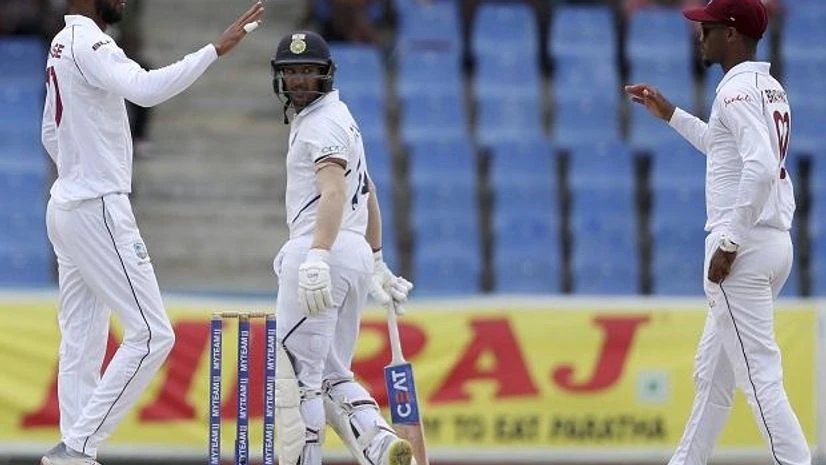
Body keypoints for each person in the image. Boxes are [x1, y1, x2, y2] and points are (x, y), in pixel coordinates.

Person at [39, 1, 264, 464]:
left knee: (82, 341)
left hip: (68, 204)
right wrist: (213, 51)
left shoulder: (61, 44)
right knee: (152, 335)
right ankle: (77, 447)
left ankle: (74, 453)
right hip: (96, 207)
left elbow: (48, 131)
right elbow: (144, 89)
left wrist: (78, 170)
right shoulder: (91, 42)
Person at [624, 0, 809, 464]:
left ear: (730, 34)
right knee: (714, 375)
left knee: (759, 378)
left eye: (706, 28)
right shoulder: (767, 87)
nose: (698, 36)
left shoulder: (734, 92)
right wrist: (671, 114)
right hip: (770, 243)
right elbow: (723, 148)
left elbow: (762, 168)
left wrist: (729, 242)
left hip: (742, 249)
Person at [269, 30, 415, 465]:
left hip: (320, 251)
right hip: (350, 254)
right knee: (333, 375)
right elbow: (367, 190)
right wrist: (375, 259)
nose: (299, 81)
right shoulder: (342, 117)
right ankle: (381, 443)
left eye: (308, 72)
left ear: (326, 75)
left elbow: (333, 192)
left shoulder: (322, 123)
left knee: (298, 383)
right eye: (291, 72)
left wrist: (316, 255)